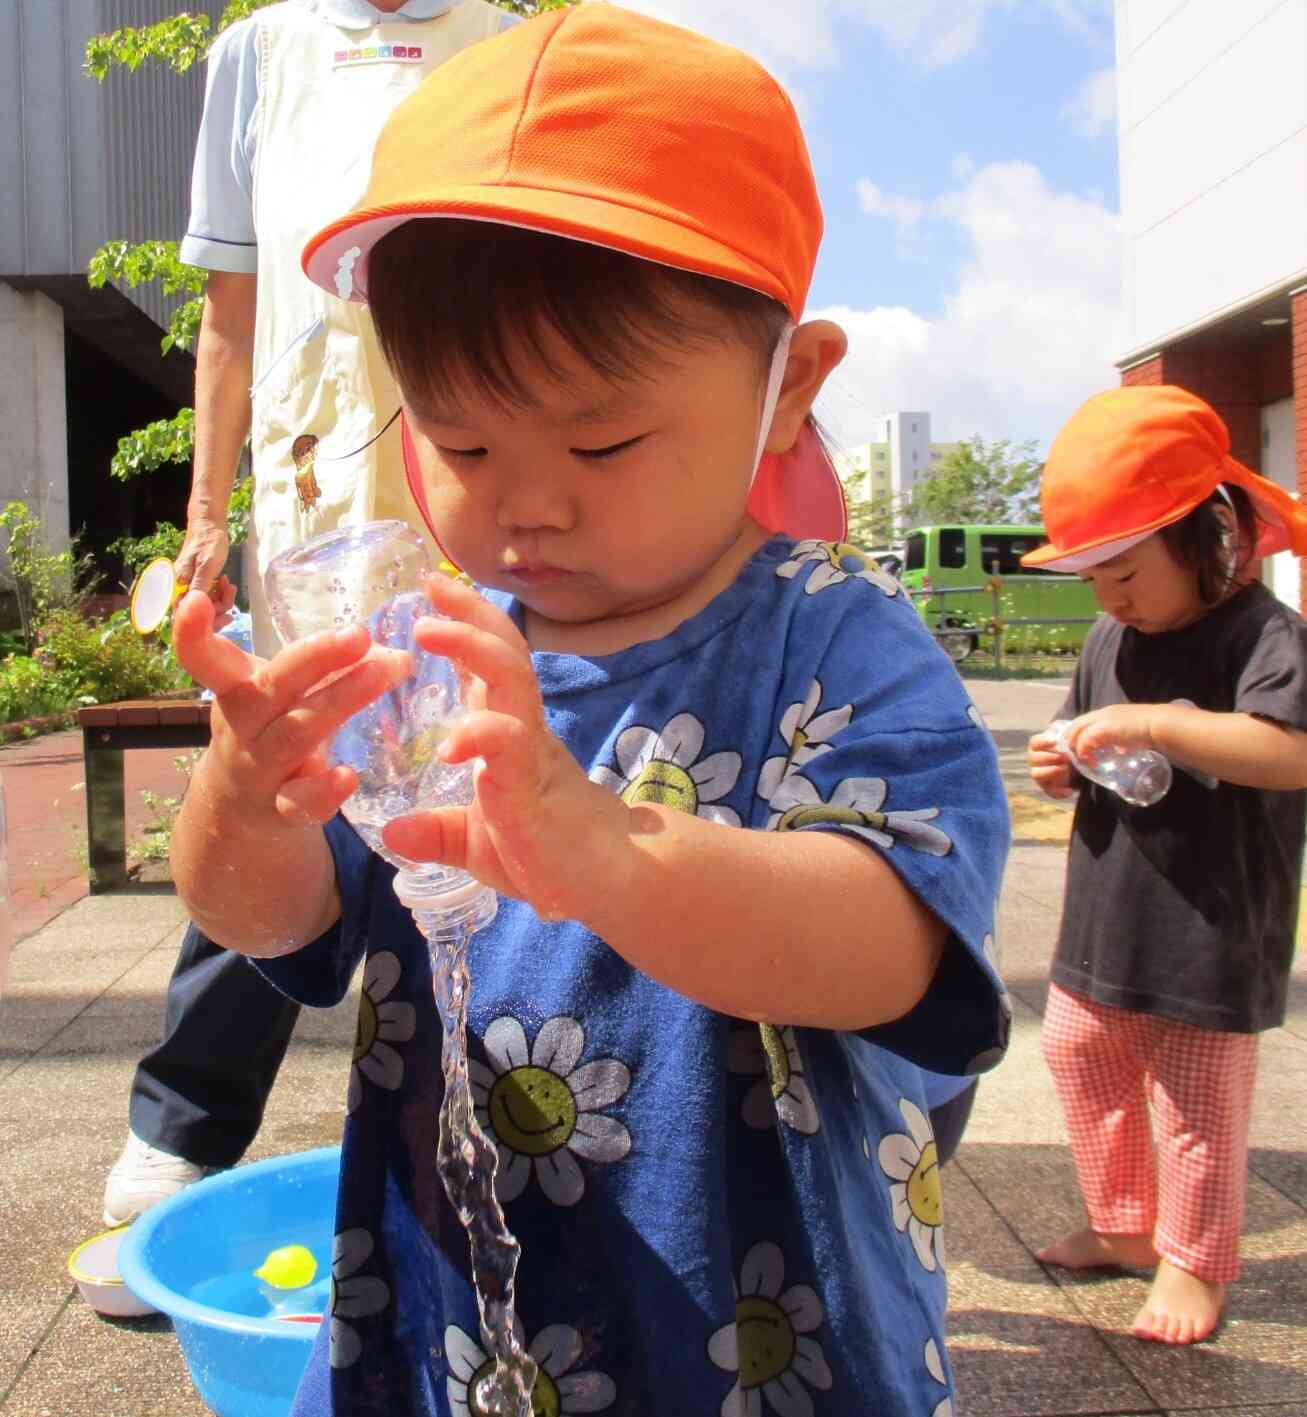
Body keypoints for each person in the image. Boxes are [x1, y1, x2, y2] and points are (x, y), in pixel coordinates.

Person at [171, 9, 1011, 1412]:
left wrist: (607, 853)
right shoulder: (419, 651)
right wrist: (243, 800)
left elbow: (893, 948)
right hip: (437, 1320)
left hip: (758, 1328)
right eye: (460, 439)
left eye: (602, 439)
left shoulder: (833, 637)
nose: (528, 497)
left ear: (786, 386)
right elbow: (269, 920)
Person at [103, 0, 515, 1228]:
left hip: (473, 479)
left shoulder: (503, 39)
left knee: (484, 789)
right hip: (310, 486)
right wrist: (205, 514)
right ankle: (184, 1119)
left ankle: (508, 1117)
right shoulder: (259, 54)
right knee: (280, 778)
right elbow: (228, 317)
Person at [1025, 385, 1307, 1346]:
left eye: (1126, 571)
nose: (1110, 598)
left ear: (1201, 535)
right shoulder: (1113, 636)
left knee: (1194, 1099)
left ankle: (1193, 1260)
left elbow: (1288, 750)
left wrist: (1162, 722)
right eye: (1093, 579)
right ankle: (1123, 1223)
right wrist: (1058, 765)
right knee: (1076, 1050)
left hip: (1211, 921)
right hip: (1108, 908)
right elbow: (1088, 745)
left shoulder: (1262, 634)